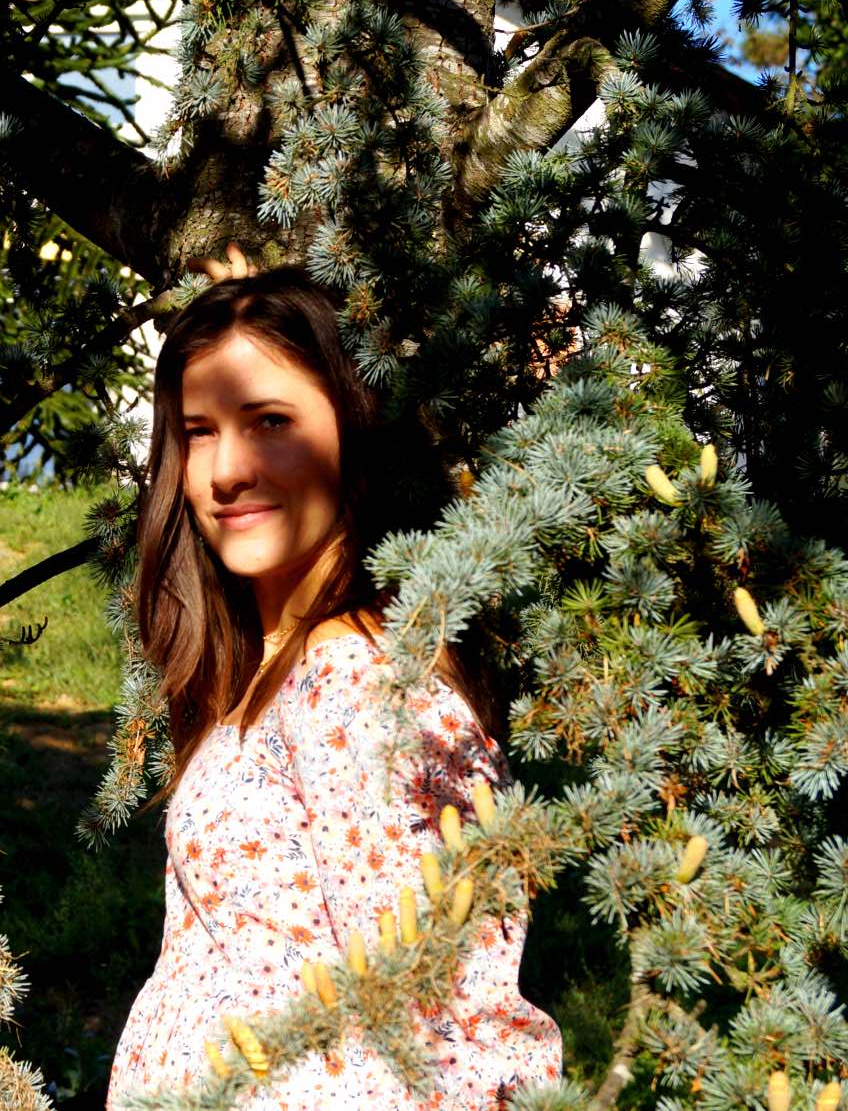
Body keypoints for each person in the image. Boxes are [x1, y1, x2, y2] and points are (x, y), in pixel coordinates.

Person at [106, 245, 564, 1109]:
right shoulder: (275, 668)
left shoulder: (357, 682)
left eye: (270, 421)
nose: (225, 471)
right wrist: (250, 317)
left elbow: (449, 1026)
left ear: (355, 428)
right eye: (200, 430)